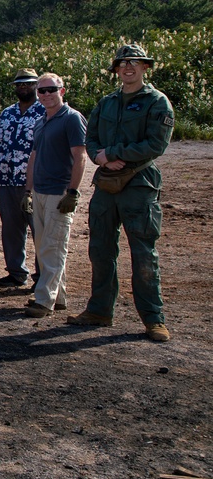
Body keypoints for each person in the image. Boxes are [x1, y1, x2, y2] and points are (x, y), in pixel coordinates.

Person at [67, 44, 175, 342]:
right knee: (100, 250)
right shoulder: (107, 102)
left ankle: (154, 319)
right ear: (116, 69)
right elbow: (92, 139)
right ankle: (100, 310)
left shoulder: (157, 102)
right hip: (106, 184)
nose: (128, 67)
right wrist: (99, 158)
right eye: (123, 63)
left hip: (138, 185)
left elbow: (156, 144)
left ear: (145, 68)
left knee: (143, 254)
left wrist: (113, 153)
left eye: (135, 63)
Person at [24, 73, 87, 317]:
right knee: (43, 247)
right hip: (39, 190)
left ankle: (44, 300)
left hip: (59, 192)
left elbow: (80, 155)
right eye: (42, 91)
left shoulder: (71, 119)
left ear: (62, 91)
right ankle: (57, 297)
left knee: (53, 246)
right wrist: (28, 191)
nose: (46, 95)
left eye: (51, 89)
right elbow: (34, 157)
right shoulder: (41, 121)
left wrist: (72, 192)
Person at [0, 69, 45, 287]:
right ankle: (16, 273)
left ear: (37, 86)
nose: (23, 87)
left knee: (40, 231)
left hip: (34, 181)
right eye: (19, 84)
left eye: (28, 83)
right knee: (11, 230)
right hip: (6, 180)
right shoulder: (6, 113)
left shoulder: (45, 111)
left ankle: (42, 276)